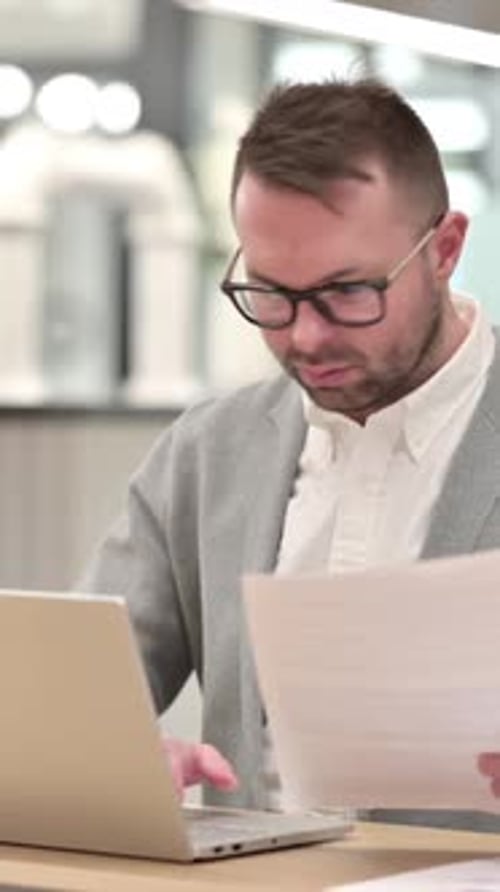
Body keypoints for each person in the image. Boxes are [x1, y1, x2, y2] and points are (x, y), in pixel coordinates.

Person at [79, 77, 500, 829]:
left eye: (347, 292)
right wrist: (111, 760)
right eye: (271, 294)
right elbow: (70, 691)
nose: (305, 337)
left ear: (444, 250)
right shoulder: (209, 454)